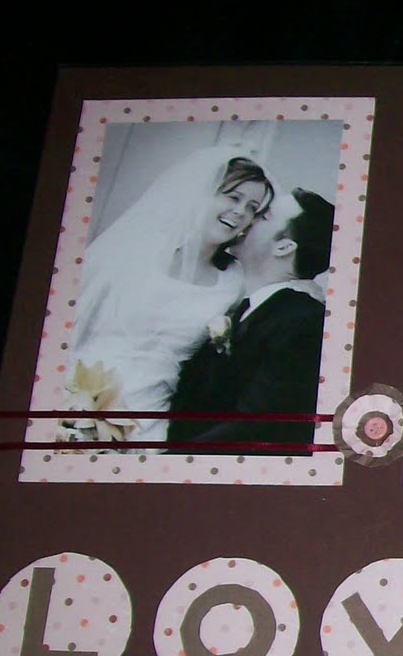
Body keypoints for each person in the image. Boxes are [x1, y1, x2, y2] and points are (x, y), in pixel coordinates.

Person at [68, 145, 274, 444]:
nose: (241, 212)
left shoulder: (232, 282)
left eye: (252, 207)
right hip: (80, 398)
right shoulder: (135, 249)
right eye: (233, 197)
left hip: (152, 419)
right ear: (204, 192)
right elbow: (73, 323)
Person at [167, 188, 334, 451]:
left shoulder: (305, 322)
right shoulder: (241, 307)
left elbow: (256, 425)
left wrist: (168, 461)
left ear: (284, 247)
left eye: (263, 216)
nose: (247, 218)